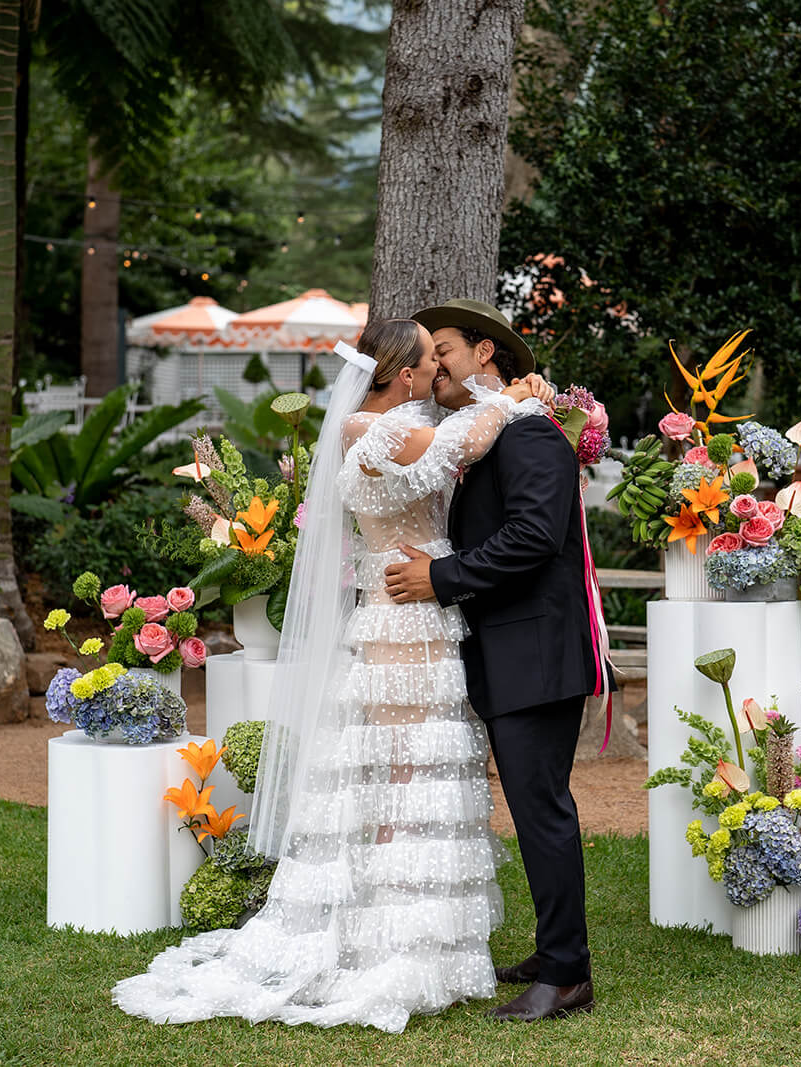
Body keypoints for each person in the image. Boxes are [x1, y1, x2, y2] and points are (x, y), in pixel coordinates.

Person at [113, 318, 552, 1034]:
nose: (438, 370)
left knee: (411, 774)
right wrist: (512, 399)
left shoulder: (388, 426)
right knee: (407, 775)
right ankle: (395, 945)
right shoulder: (368, 431)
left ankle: (417, 939)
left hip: (420, 614)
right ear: (404, 375)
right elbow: (465, 444)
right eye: (429, 359)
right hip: (403, 624)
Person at [384, 298, 607, 1022]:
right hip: (510, 653)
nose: (436, 365)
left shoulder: (531, 432)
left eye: (444, 349)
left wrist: (440, 578)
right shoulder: (490, 431)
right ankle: (552, 950)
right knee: (534, 806)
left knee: (542, 811)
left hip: (536, 654)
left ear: (485, 352)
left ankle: (567, 975)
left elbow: (534, 536)